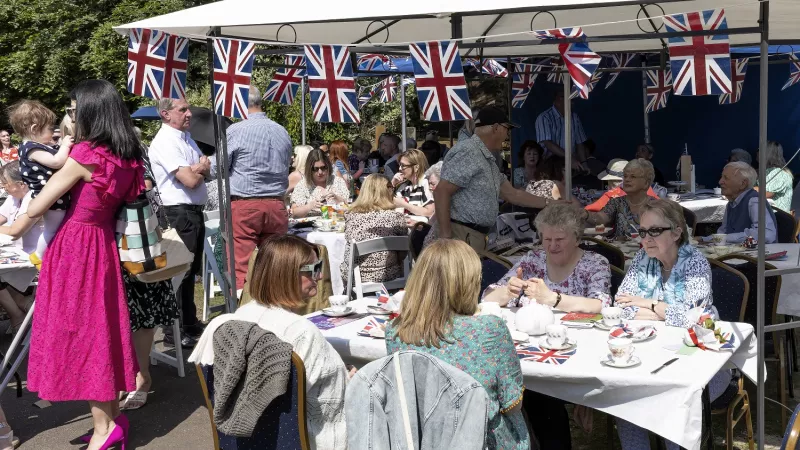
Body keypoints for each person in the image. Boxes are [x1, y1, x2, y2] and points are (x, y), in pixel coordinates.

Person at [26, 79, 145, 450]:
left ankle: (103, 429)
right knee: (102, 329)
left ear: (91, 111)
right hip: (103, 244)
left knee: (84, 333)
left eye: (76, 110)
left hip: (77, 248)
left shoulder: (86, 155)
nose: (72, 116)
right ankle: (110, 421)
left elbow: (35, 208)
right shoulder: (128, 155)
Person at [190, 235, 351, 450]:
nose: (320, 276)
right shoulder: (302, 332)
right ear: (287, 275)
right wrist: (350, 380)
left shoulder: (232, 322)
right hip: (304, 441)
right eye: (314, 268)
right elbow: (333, 404)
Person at [483, 203, 611, 449]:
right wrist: (507, 291)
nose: (552, 246)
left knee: (540, 399)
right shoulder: (533, 260)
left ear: (576, 237)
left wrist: (553, 299)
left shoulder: (595, 263)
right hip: (529, 353)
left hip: (575, 354)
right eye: (546, 239)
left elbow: (600, 304)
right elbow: (487, 297)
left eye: (560, 239)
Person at [386, 239, 530, 450]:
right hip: (481, 441)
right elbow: (512, 404)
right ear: (468, 283)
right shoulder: (489, 329)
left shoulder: (395, 331)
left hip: (422, 440)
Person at [613, 199, 728, 450]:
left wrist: (650, 305)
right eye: (643, 231)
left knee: (672, 405)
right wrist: (664, 311)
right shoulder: (643, 260)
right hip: (649, 356)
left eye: (655, 231)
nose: (647, 238)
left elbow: (693, 317)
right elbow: (622, 305)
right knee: (626, 404)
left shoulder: (695, 263)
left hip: (701, 363)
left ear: (676, 232)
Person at [432, 106, 550, 251]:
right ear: (496, 127)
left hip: (472, 237)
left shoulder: (486, 158)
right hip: (460, 237)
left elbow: (513, 194)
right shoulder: (468, 151)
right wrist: (445, 236)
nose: (508, 135)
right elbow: (441, 191)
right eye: (507, 129)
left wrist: (548, 203)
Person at [209, 86, 291, 290]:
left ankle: (244, 313)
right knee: (275, 265)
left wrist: (204, 164)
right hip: (276, 205)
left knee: (241, 268)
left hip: (246, 204)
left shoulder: (237, 130)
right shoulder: (281, 131)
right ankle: (275, 309)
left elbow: (217, 168)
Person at [117, 154, 179, 412]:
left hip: (138, 241)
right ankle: (126, 373)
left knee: (142, 313)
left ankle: (141, 375)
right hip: (111, 239)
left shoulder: (131, 154)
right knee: (119, 315)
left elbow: (147, 189)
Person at [149, 97, 210, 347]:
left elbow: (208, 169)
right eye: (182, 110)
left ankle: (188, 322)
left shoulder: (186, 138)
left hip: (191, 210)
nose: (188, 114)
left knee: (190, 270)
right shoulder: (165, 141)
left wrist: (199, 167)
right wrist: (199, 168)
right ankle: (173, 330)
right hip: (177, 211)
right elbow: (190, 180)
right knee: (178, 272)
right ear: (165, 114)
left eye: (188, 109)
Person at [7, 100, 74, 268]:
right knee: (52, 229)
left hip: (49, 196)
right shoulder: (31, 148)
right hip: (49, 197)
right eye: (50, 128)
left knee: (53, 228)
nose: (53, 132)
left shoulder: (33, 146)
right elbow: (57, 162)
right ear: (34, 129)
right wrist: (65, 145)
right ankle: (39, 256)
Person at [340, 175, 407, 284]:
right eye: (390, 187)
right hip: (389, 275)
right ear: (386, 191)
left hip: (357, 277)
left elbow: (349, 240)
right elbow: (403, 252)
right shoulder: (396, 217)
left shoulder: (350, 215)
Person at [0, 162, 41, 334]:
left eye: (5, 183)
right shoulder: (14, 197)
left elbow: (15, 231)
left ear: (21, 184)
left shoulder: (34, 198)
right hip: (17, 253)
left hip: (35, 259)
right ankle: (22, 306)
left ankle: (18, 315)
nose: (3, 187)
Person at [588, 159, 656, 239]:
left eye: (633, 176)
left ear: (646, 183)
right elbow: (602, 218)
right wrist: (586, 215)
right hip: (619, 250)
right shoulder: (617, 202)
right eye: (625, 176)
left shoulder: (657, 207)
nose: (626, 180)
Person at [712, 161, 777, 244]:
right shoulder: (731, 203)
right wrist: (705, 239)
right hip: (738, 253)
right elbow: (723, 233)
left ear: (743, 184)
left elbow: (766, 234)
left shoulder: (754, 201)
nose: (720, 182)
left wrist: (727, 238)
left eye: (726, 178)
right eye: (721, 177)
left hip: (758, 255)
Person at [535, 89, 588, 170]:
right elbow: (548, 143)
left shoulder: (574, 117)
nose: (572, 103)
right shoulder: (544, 117)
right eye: (570, 99)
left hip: (571, 165)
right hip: (550, 165)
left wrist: (584, 163)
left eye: (572, 99)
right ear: (558, 100)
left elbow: (579, 143)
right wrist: (569, 159)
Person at [290, 148, 349, 218]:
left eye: (323, 168)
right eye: (315, 169)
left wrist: (337, 199)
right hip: (312, 227)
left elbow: (350, 207)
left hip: (336, 224)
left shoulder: (338, 182)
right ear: (309, 169)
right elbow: (294, 212)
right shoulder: (303, 185)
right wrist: (309, 206)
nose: (320, 172)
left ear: (328, 166)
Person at [586, 159, 660, 212]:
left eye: (609, 181)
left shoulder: (612, 195)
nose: (608, 184)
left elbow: (586, 211)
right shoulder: (647, 189)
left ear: (617, 182)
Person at [393, 149, 434, 219]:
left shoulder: (426, 183)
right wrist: (393, 183)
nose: (400, 168)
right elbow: (388, 203)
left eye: (403, 165)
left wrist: (404, 204)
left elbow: (430, 212)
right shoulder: (406, 185)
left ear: (416, 167)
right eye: (399, 165)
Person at [756, 140, 793, 213]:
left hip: (776, 219)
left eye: (759, 149)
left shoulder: (777, 173)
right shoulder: (769, 171)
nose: (757, 152)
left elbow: (764, 193)